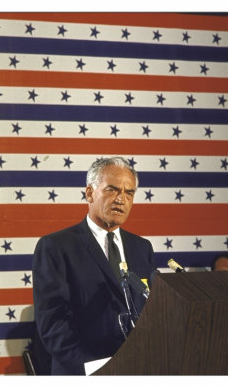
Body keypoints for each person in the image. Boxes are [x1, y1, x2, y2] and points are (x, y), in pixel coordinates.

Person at [32, 156, 157, 375]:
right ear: (89, 193)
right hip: (83, 374)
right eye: (112, 190)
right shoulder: (56, 246)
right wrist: (98, 369)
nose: (121, 199)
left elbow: (151, 312)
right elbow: (53, 324)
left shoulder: (142, 247)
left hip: (136, 370)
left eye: (129, 193)